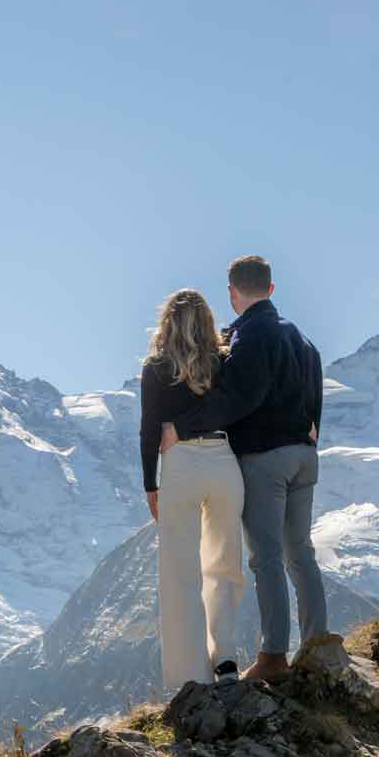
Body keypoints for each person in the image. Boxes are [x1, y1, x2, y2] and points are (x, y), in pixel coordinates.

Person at [162, 255, 326, 683]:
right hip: (304, 457)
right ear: (271, 289)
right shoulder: (300, 336)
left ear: (233, 292)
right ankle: (318, 643)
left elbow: (240, 398)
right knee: (300, 552)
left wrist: (182, 426)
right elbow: (314, 383)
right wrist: (313, 433)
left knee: (267, 557)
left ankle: (273, 657)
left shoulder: (250, 336)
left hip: (265, 459)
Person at [140, 289, 246, 692]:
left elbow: (149, 429)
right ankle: (227, 660)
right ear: (206, 323)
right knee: (223, 564)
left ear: (166, 322)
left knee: (181, 572)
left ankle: (190, 677)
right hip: (223, 459)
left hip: (180, 464)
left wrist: (151, 484)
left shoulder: (155, 367)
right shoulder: (222, 363)